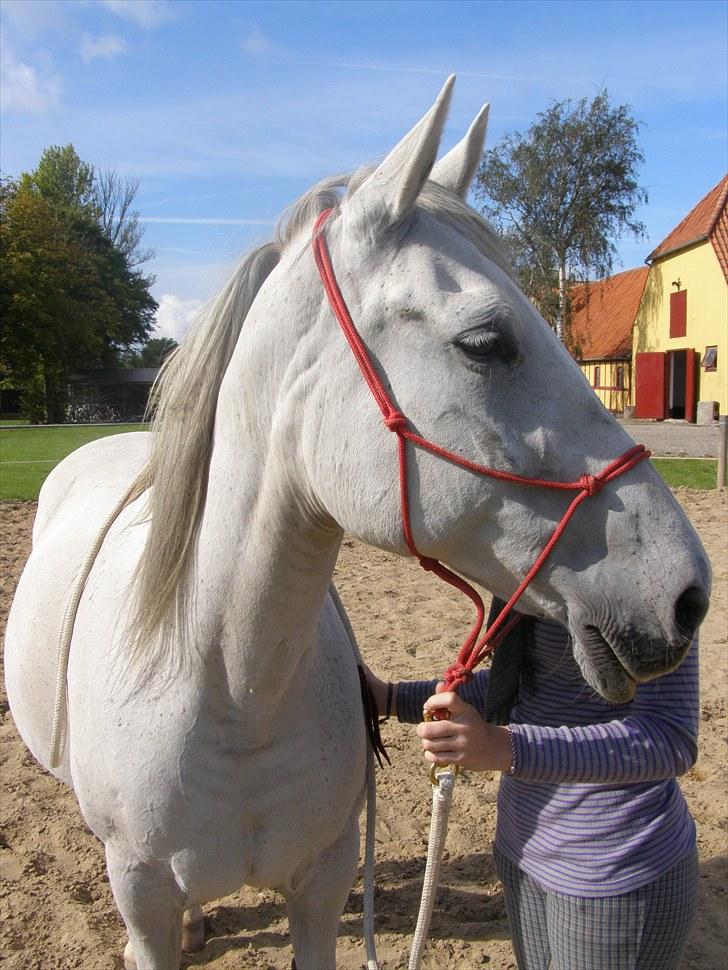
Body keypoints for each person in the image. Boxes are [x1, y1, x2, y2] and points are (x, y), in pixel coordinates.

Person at [367, 600, 700, 970]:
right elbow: (522, 683)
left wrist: (502, 747)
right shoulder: (530, 563)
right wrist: (391, 698)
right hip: (522, 852)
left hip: (612, 874)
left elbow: (670, 737)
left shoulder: (649, 569)